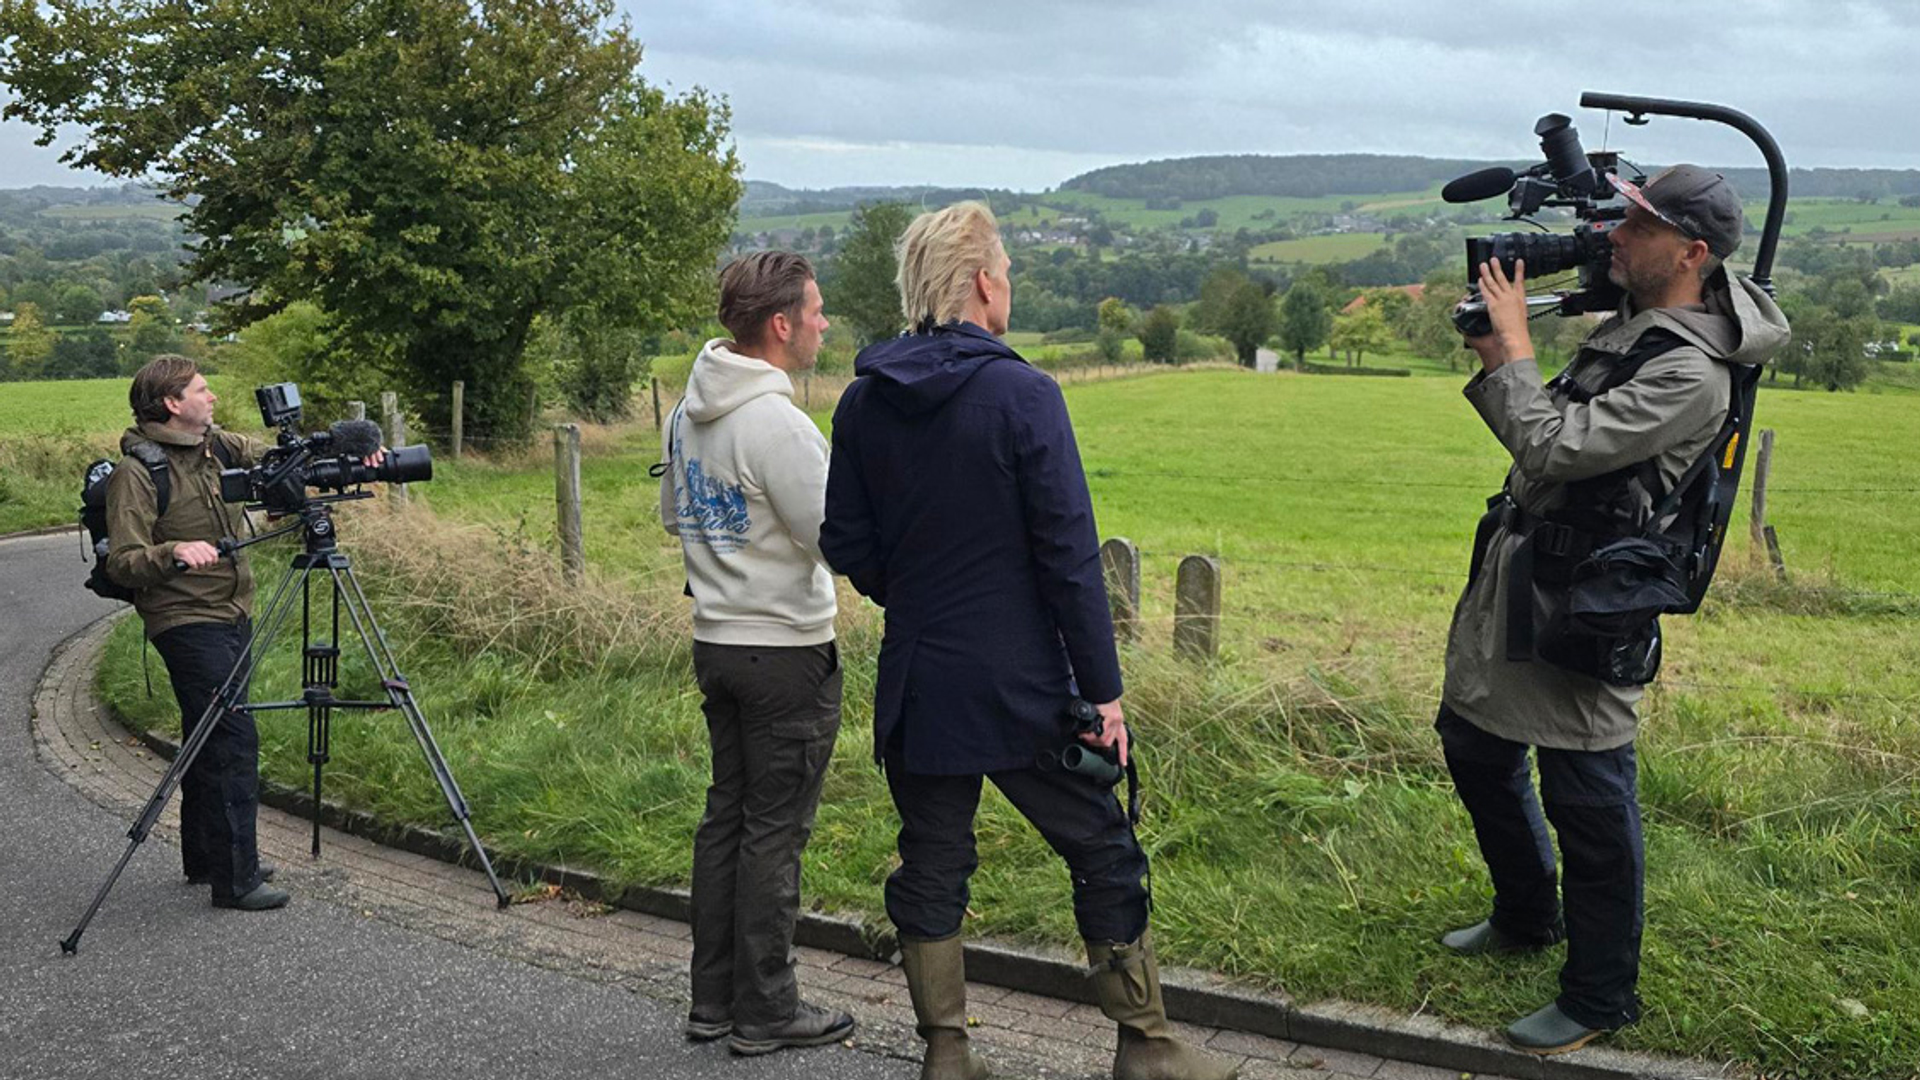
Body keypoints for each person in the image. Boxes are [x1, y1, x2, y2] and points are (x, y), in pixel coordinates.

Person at [820, 202, 1236, 1080]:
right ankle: (1147, 1046)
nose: (1008, 285)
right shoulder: (1025, 396)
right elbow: (1069, 559)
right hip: (1024, 683)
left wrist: (917, 597)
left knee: (933, 861)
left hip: (920, 677)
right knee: (1102, 847)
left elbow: (846, 543)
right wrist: (1106, 694)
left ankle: (947, 1055)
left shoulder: (862, 403)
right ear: (982, 282)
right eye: (1005, 271)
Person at [1439, 165, 1789, 1054]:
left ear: (1692, 252)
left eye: (1636, 227)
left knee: (1588, 796)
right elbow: (1551, 430)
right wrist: (1499, 356)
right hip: (1529, 570)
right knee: (1474, 741)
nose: (1613, 238)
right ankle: (1526, 916)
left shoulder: (1692, 371)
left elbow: (1556, 448)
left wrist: (1516, 351)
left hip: (1589, 601)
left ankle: (1599, 996)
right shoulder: (1635, 328)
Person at [655, 251, 854, 1057]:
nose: (823, 323)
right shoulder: (778, 424)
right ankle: (768, 1008)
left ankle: (713, 1001)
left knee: (726, 819)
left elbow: (675, 516)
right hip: (786, 650)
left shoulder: (688, 411)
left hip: (717, 639)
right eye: (815, 311)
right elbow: (836, 540)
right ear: (780, 324)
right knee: (775, 831)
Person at [104, 355, 287, 911]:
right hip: (183, 617)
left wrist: (355, 451)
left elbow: (278, 459)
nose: (212, 397)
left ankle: (209, 857)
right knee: (232, 738)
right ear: (172, 403)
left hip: (232, 609)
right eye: (201, 390)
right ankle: (237, 880)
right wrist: (174, 551)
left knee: (208, 733)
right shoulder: (137, 474)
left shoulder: (217, 446)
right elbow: (123, 562)